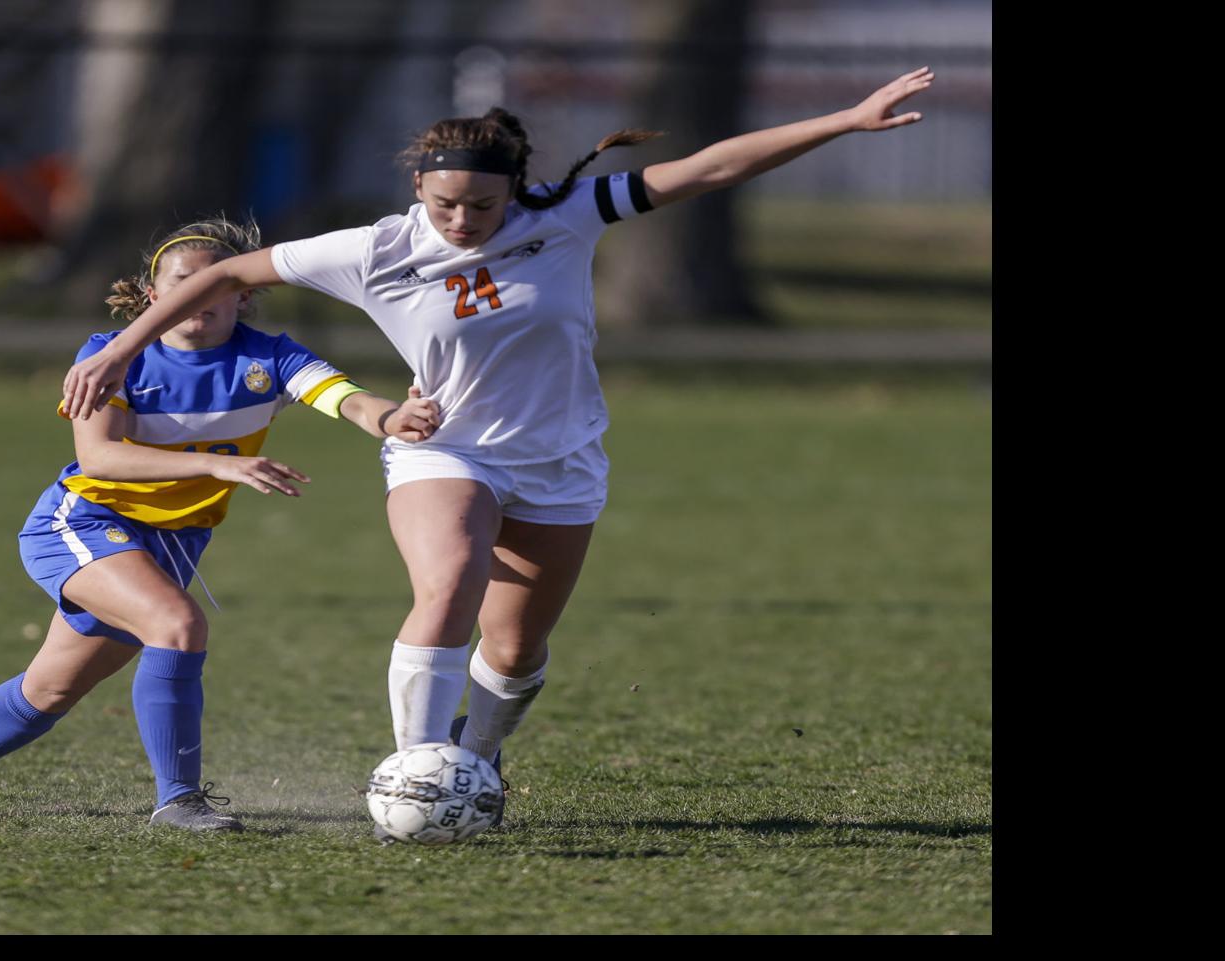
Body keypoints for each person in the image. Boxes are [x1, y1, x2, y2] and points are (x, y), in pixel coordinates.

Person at [60, 68, 936, 833]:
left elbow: (707, 168)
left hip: (561, 460)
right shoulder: (377, 250)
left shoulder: (572, 213)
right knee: (450, 581)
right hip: (446, 446)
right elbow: (221, 275)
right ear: (419, 187)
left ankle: (474, 762)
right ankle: (417, 771)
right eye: (445, 204)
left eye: (482, 205)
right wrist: (119, 348)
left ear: (516, 188)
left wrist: (841, 122)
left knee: (514, 651)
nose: (463, 220)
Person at [0, 218, 440, 832]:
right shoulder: (110, 354)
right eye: (181, 287)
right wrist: (219, 465)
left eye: (212, 286)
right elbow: (101, 457)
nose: (196, 298)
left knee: (45, 694)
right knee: (176, 625)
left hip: (171, 544)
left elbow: (348, 398)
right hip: (84, 521)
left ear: (242, 293)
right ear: (154, 298)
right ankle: (179, 802)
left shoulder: (271, 357)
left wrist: (393, 418)